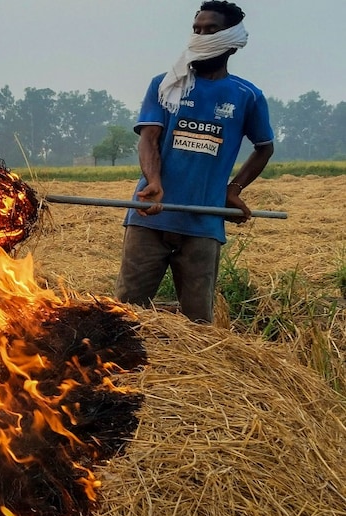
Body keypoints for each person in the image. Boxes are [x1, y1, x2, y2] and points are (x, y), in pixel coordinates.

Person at [115, 1, 274, 323]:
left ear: (231, 42)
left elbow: (264, 147)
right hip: (151, 216)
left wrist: (234, 189)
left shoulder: (247, 95)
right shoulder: (166, 84)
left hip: (204, 222)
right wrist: (154, 183)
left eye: (210, 31)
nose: (200, 37)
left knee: (198, 321)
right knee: (124, 314)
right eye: (196, 30)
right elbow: (149, 138)